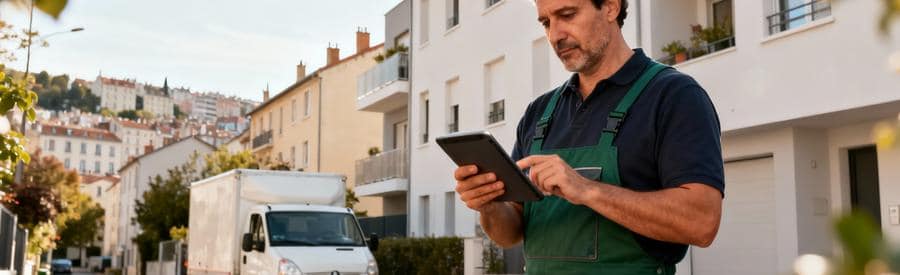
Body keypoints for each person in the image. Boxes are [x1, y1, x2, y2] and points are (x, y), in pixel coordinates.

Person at [453, 0, 725, 274]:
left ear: (610, 7)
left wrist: (587, 190)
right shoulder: (539, 113)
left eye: (567, 15)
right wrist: (488, 204)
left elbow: (701, 223)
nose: (555, 35)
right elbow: (510, 233)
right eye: (546, 23)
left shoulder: (674, 96)